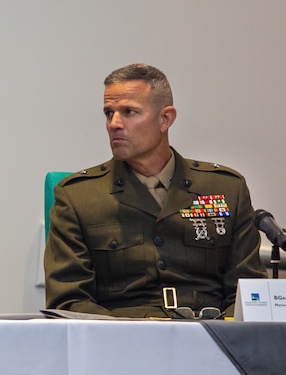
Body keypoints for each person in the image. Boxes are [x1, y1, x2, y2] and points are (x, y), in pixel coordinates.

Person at [44, 63, 266, 318]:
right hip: (121, 343)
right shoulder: (77, 197)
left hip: (210, 339)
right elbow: (69, 301)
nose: (114, 124)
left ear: (165, 118)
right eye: (109, 113)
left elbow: (248, 295)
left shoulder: (226, 189)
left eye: (129, 112)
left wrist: (220, 336)